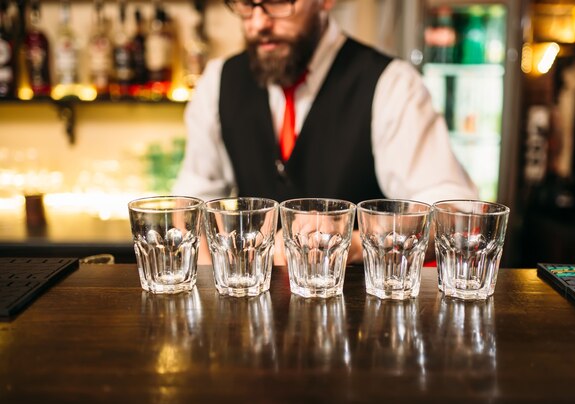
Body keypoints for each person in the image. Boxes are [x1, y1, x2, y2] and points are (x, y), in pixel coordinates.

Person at [172, 0, 478, 264]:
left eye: (278, 2)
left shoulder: (391, 84)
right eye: (246, 4)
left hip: (361, 322)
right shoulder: (218, 82)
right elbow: (189, 204)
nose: (259, 22)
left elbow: (454, 214)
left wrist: (356, 243)